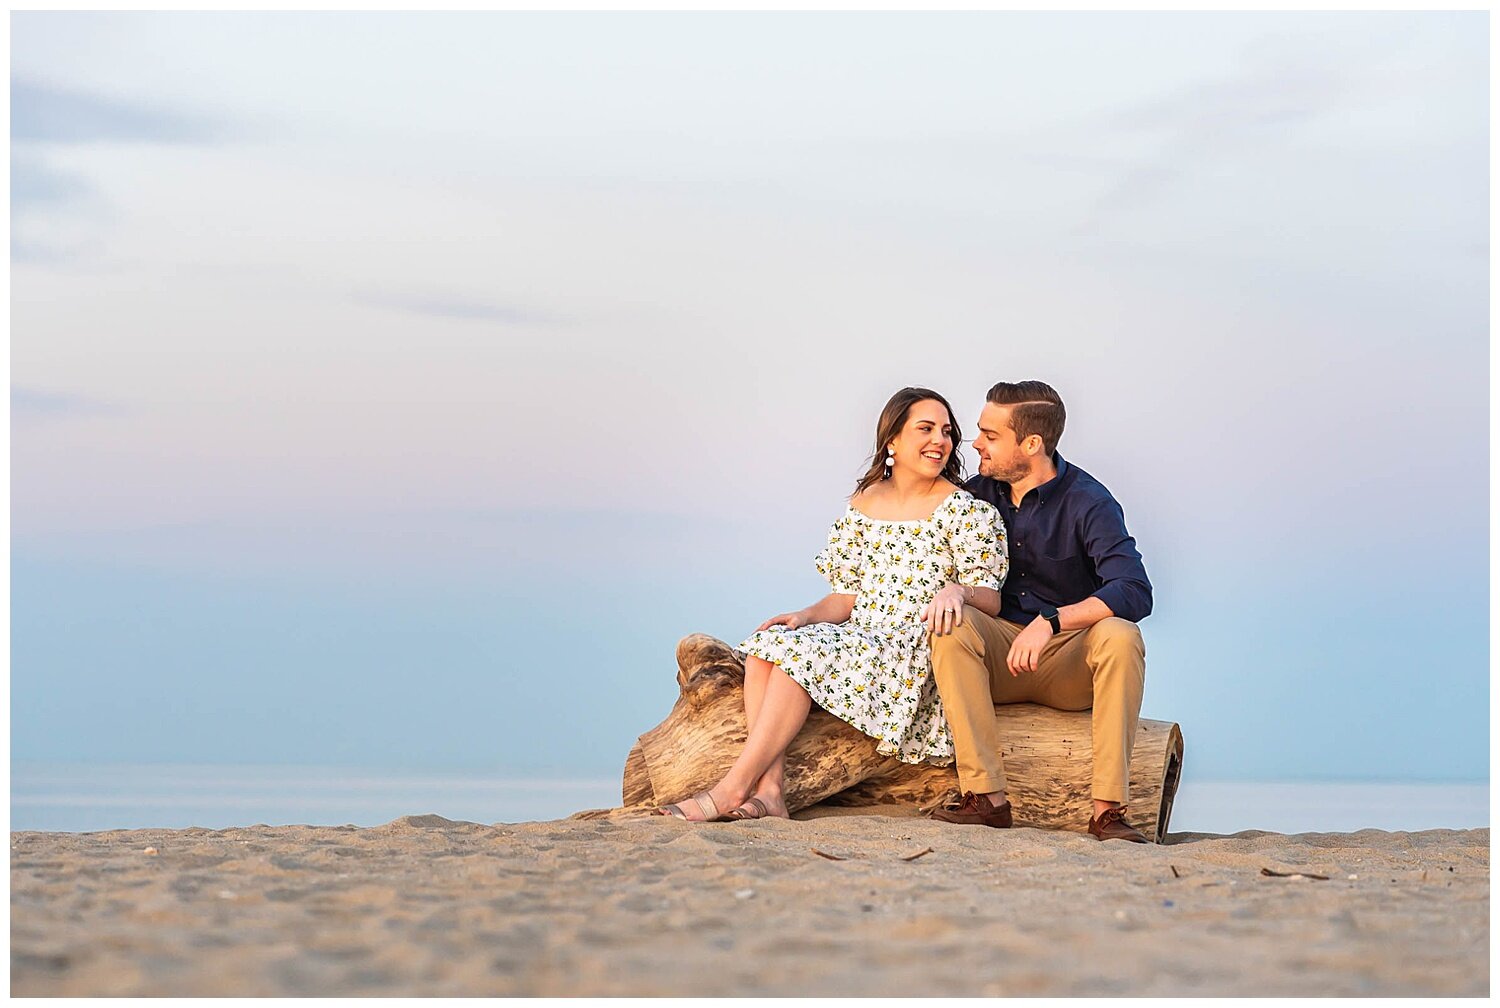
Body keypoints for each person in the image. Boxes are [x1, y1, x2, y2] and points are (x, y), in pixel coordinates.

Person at [655, 387, 1008, 822]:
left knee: (800, 655)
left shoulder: (965, 511)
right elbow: (846, 597)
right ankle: (770, 791)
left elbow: (990, 597)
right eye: (926, 429)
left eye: (947, 432)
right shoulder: (863, 505)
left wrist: (959, 592)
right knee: (770, 646)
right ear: (892, 440)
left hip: (915, 649)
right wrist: (804, 616)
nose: (940, 440)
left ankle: (733, 787)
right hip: (863, 639)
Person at [927, 380, 1153, 842]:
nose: (976, 444)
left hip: (1066, 662)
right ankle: (986, 799)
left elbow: (1135, 589)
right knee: (952, 626)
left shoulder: (1089, 501)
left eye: (990, 436)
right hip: (995, 659)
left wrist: (1051, 622)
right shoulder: (973, 498)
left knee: (1121, 634)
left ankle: (1108, 812)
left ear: (1031, 444)